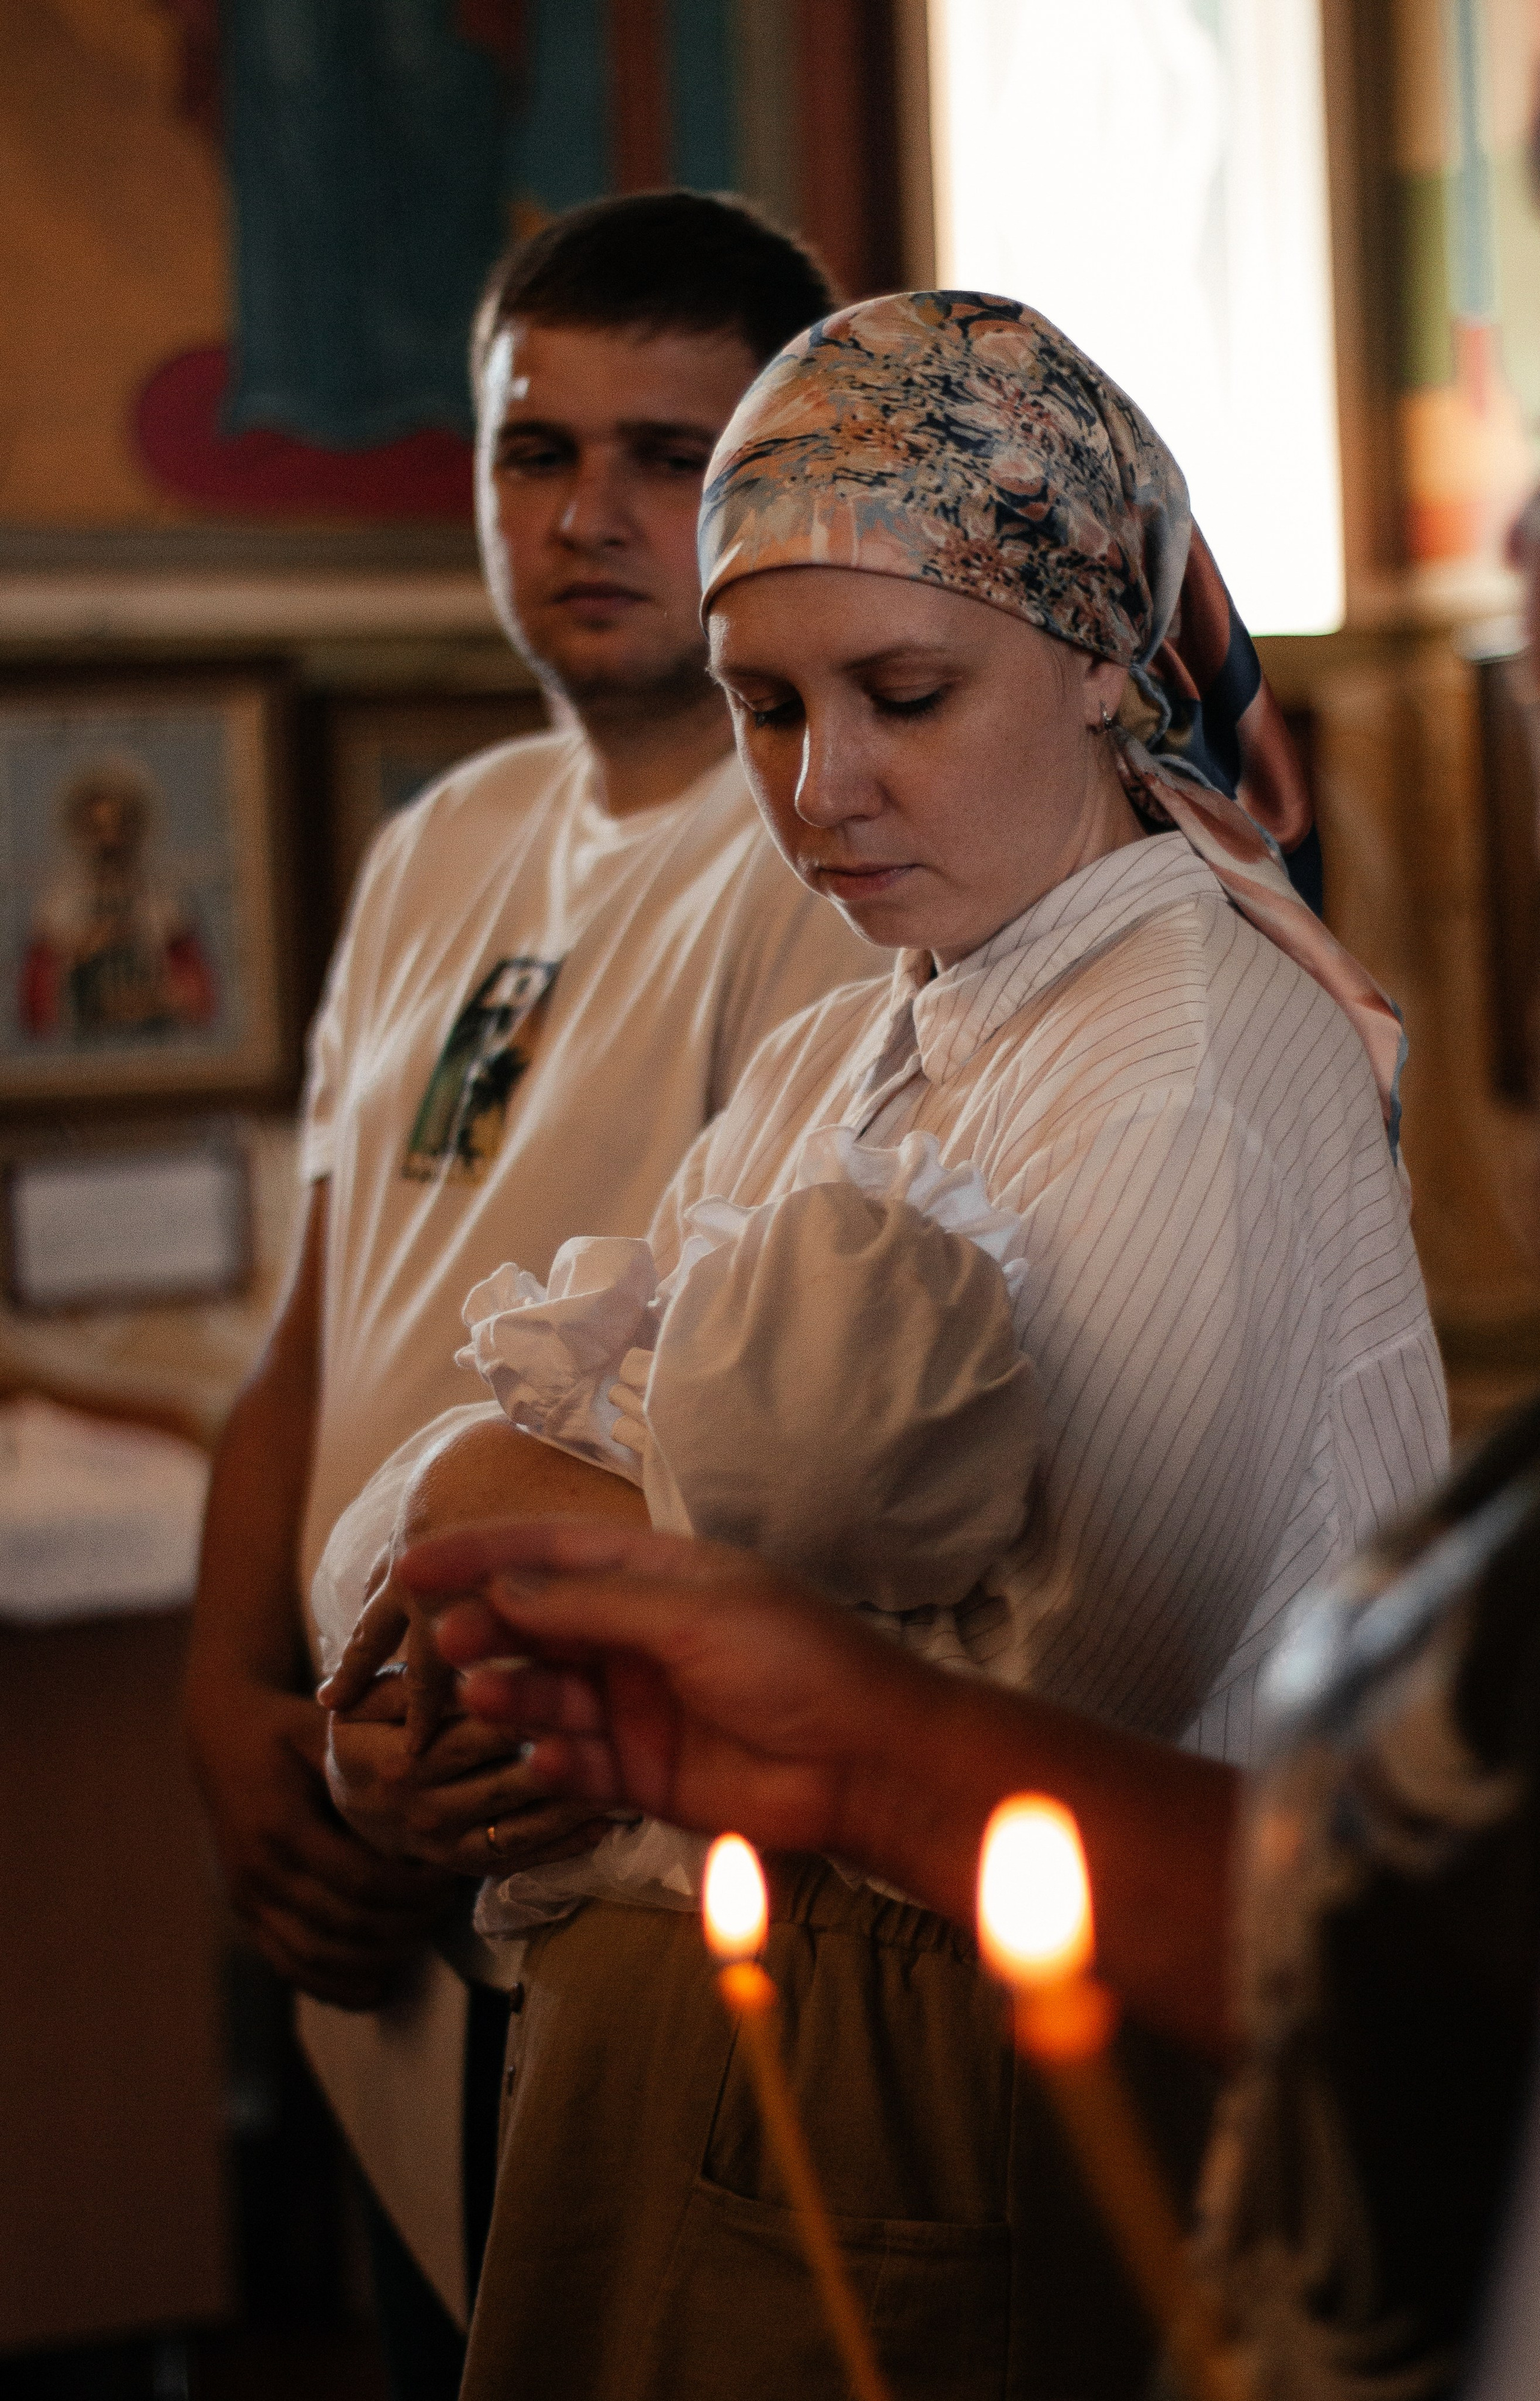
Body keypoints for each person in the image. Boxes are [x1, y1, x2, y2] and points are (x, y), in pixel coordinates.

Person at [322, 293, 1446, 2400]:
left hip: (994, 2091)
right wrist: (424, 1701)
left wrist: (534, 1530)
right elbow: (455, 1494)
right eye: (762, 706)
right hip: (749, 2049)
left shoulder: (1186, 1059)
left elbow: (1030, 1708)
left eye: (901, 693)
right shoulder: (860, 1034)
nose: (819, 787)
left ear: (1106, 652)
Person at [184, 190, 872, 2397]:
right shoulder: (441, 838)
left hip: (567, 1869)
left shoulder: (817, 859)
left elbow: (760, 1446)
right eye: (532, 447)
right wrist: (228, 1703)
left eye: (670, 456)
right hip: (359, 1859)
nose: (588, 516)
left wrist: (419, 1754)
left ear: (786, 475)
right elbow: (319, 1318)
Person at [20, 755, 217, 1040]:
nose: (109, 840)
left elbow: (194, 989)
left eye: (118, 827)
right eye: (98, 828)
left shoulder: (162, 896)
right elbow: (39, 999)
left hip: (153, 1030)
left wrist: (163, 995)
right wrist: (83, 949)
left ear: (134, 829)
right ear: (82, 830)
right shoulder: (59, 900)